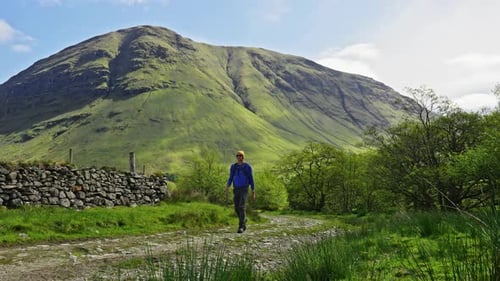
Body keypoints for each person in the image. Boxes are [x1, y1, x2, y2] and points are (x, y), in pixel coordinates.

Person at [225, 150, 255, 233]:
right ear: (236, 157)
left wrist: (253, 191)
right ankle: (244, 220)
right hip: (236, 188)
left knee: (241, 206)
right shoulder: (233, 167)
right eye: (238, 156)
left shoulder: (247, 167)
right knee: (236, 208)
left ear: (243, 157)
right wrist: (227, 186)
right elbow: (231, 177)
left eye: (241, 156)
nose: (239, 157)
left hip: (244, 188)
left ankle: (241, 226)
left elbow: (251, 179)